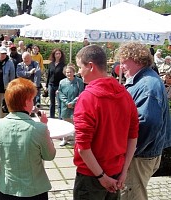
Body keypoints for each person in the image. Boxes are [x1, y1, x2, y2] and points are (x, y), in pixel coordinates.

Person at [73, 45, 139, 200]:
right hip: (115, 172)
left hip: (91, 177)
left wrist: (102, 177)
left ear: (90, 66)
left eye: (79, 67)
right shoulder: (125, 94)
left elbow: (83, 147)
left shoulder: (87, 97)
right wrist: (124, 172)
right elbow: (133, 136)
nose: (78, 72)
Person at [116, 42, 171, 200]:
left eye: (123, 61)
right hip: (144, 153)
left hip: (140, 157)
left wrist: (129, 153)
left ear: (135, 59)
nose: (121, 66)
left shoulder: (147, 85)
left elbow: (148, 123)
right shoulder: (145, 80)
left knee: (131, 195)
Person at [0, 77, 56, 200]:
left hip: (7, 188)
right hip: (35, 191)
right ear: (26, 102)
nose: (33, 103)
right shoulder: (39, 129)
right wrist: (45, 128)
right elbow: (49, 156)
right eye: (32, 99)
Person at [58, 63, 84, 146]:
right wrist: (66, 102)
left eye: (70, 72)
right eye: (67, 72)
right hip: (65, 106)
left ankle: (77, 140)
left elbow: (81, 93)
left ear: (74, 72)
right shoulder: (62, 82)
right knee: (65, 122)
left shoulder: (79, 82)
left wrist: (73, 102)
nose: (68, 74)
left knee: (75, 123)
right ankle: (65, 139)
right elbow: (60, 93)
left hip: (76, 105)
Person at [46, 48, 66, 118]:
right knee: (52, 103)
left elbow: (64, 77)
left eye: (59, 53)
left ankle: (60, 117)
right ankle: (52, 117)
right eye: (56, 54)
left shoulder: (63, 65)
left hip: (59, 85)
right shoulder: (51, 64)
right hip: (51, 84)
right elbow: (48, 75)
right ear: (54, 55)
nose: (58, 55)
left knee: (59, 103)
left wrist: (61, 87)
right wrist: (46, 86)